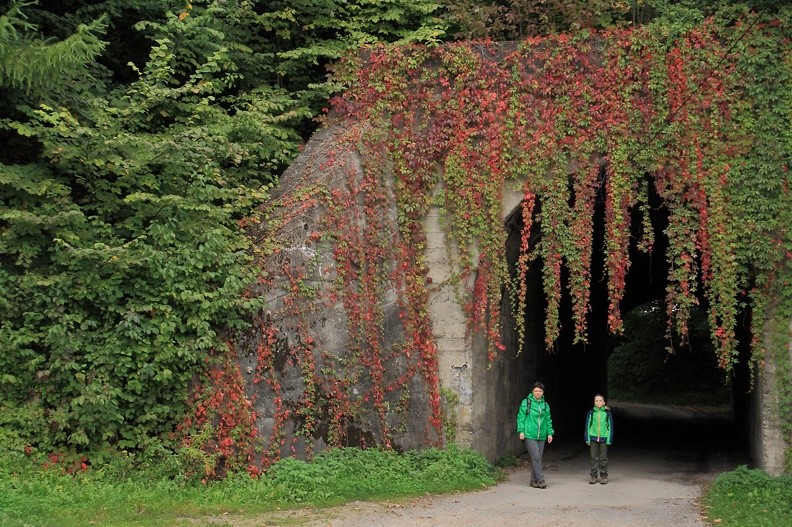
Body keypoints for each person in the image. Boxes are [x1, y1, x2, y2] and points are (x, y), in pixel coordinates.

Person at [517, 381, 554, 489]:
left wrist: (550, 433)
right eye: (536, 391)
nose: (538, 393)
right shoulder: (526, 402)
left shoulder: (545, 405)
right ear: (532, 391)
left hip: (541, 435)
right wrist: (521, 431)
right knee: (536, 457)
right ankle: (541, 479)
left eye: (540, 391)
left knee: (537, 458)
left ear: (543, 392)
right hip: (529, 434)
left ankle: (533, 481)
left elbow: (548, 419)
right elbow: (521, 417)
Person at [584, 394, 614, 484]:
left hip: (604, 438)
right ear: (594, 403)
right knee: (593, 457)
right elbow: (587, 426)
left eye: (600, 400)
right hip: (593, 438)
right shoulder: (591, 413)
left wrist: (609, 439)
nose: (598, 402)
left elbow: (610, 427)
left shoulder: (607, 413)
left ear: (604, 402)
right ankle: (593, 476)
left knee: (603, 458)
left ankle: (603, 475)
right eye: (596, 401)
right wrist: (587, 438)